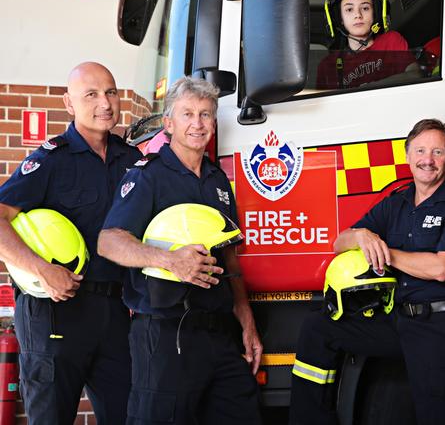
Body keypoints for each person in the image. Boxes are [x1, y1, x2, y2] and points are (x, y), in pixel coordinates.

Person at [290, 119, 445, 425]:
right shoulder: (397, 203)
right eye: (421, 151)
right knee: (320, 328)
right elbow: (338, 242)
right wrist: (359, 237)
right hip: (402, 320)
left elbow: (442, 268)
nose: (428, 160)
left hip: (443, 326)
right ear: (407, 156)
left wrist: (386, 253)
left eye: (438, 152)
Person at [97, 77, 262, 425]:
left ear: (214, 124)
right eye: (187, 114)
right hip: (165, 333)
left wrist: (245, 318)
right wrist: (170, 261)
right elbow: (109, 241)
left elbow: (229, 255)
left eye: (205, 115)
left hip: (219, 333)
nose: (197, 123)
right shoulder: (148, 176)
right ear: (169, 124)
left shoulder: (219, 182)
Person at [0, 62, 142, 424]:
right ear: (68, 103)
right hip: (56, 311)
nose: (105, 103)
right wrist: (42, 270)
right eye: (91, 95)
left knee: (129, 415)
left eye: (110, 92)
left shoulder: (134, 161)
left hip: (114, 312)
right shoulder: (50, 160)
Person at [316, 0, 417, 90]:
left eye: (365, 8)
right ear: (339, 19)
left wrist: (370, 88)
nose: (358, 15)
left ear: (376, 13)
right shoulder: (328, 65)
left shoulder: (390, 41)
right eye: (349, 10)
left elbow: (415, 74)